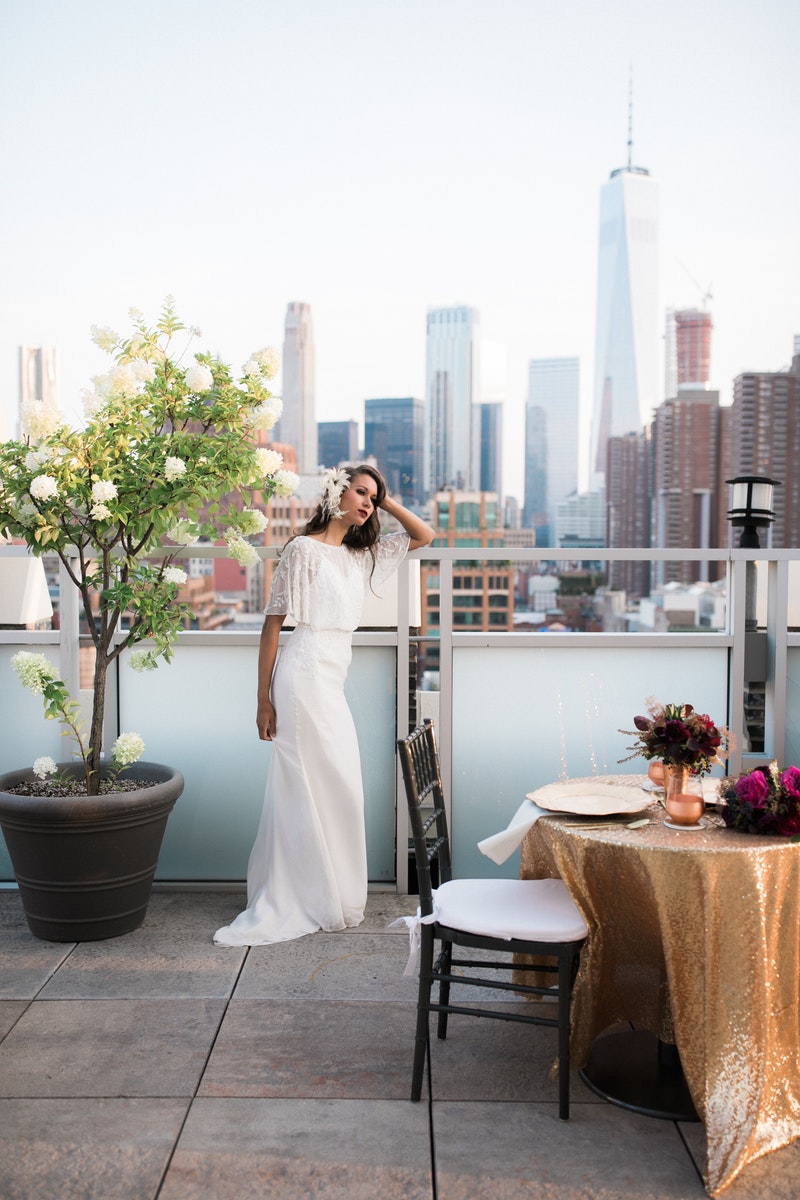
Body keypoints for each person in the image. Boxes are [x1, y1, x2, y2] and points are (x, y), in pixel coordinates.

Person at [214, 465, 435, 946]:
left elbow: (424, 535)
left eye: (372, 499)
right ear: (336, 491)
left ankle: (330, 889)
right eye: (360, 492)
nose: (367, 504)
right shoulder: (302, 550)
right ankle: (301, 893)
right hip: (301, 676)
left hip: (332, 678)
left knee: (341, 786)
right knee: (306, 785)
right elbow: (272, 626)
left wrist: (389, 500)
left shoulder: (362, 556)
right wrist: (263, 701)